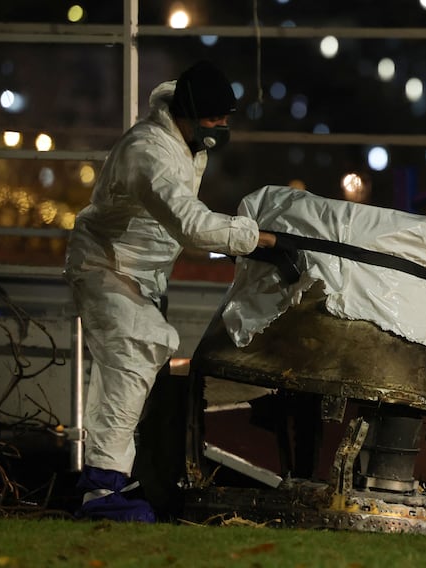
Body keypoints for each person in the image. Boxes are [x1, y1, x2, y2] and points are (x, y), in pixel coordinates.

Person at [63, 60, 284, 523]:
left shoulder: (184, 139)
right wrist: (251, 237)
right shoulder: (149, 152)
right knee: (133, 360)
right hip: (107, 266)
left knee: (128, 372)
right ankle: (103, 490)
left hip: (134, 273)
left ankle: (111, 479)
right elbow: (189, 223)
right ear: (189, 112)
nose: (222, 126)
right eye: (215, 118)